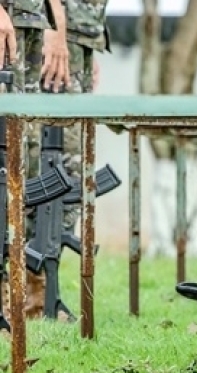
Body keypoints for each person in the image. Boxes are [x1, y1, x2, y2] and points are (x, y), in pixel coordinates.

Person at [21, 0, 110, 319]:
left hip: (79, 34)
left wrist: (86, 46)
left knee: (70, 175)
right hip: (53, 26)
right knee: (41, 165)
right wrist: (56, 30)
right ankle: (31, 290)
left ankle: (44, 292)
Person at [1, 0, 69, 323]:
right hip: (8, 16)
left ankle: (24, 287)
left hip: (29, 17)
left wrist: (54, 20)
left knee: (23, 155)